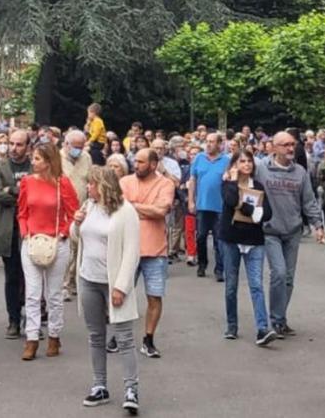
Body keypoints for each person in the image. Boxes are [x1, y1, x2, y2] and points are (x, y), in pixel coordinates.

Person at [73, 166, 141, 412]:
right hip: (88, 279)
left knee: (124, 337)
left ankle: (131, 388)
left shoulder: (125, 212)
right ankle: (99, 385)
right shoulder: (88, 207)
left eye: (91, 184)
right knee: (96, 335)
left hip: (113, 283)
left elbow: (132, 252)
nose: (88, 188)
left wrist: (121, 286)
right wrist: (75, 223)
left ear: (103, 185)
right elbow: (77, 238)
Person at [255, 131, 325, 339]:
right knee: (278, 273)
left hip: (293, 230)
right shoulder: (261, 169)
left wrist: (317, 225)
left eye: (292, 144)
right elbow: (244, 183)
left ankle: (280, 319)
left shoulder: (300, 172)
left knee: (288, 278)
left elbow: (309, 201)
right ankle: (275, 319)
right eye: (285, 145)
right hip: (270, 230)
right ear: (274, 147)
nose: (290, 148)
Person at [17, 142, 80, 360]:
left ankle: (54, 335)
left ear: (48, 161)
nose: (33, 163)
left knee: (53, 294)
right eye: (33, 158)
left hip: (56, 243)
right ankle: (32, 338)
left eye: (37, 159)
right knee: (32, 294)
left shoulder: (63, 184)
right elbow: (22, 212)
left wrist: (63, 233)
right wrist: (25, 232)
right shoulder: (26, 182)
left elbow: (74, 213)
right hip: (32, 242)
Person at [118, 149, 175, 359]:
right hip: (127, 248)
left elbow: (161, 211)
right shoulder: (124, 182)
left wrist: (133, 206)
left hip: (156, 249)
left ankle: (148, 339)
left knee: (155, 296)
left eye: (141, 162)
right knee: (121, 295)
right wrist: (146, 209)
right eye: (135, 161)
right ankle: (119, 335)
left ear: (153, 164)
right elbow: (118, 208)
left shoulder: (166, 184)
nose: (136, 165)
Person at [219, 150, 275, 345]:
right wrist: (253, 210)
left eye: (249, 161)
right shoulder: (227, 184)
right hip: (231, 239)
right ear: (234, 164)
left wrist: (255, 212)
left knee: (257, 285)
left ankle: (262, 329)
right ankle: (232, 326)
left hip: (254, 239)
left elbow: (268, 213)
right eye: (242, 161)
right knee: (231, 285)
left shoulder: (258, 186)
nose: (247, 164)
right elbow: (231, 201)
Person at [0, 129, 32, 339]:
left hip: (32, 229)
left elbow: (37, 195)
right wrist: (20, 191)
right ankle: (13, 320)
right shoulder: (0, 166)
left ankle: (31, 319)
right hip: (9, 228)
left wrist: (12, 189)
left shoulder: (34, 166)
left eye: (19, 144)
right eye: (12, 144)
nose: (14, 149)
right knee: (12, 277)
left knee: (32, 278)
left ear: (27, 146)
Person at [187, 132, 229, 281]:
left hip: (220, 206)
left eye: (212, 142)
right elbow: (192, 180)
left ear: (219, 144)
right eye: (207, 141)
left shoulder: (226, 160)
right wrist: (191, 201)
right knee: (201, 236)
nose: (209, 144)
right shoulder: (199, 158)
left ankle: (219, 269)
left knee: (219, 239)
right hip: (202, 205)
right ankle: (202, 264)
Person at [61, 130, 93, 302]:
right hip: (62, 210)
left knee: (78, 247)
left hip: (81, 208)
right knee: (67, 248)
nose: (78, 150)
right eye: (75, 147)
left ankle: (72, 282)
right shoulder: (57, 158)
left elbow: (90, 180)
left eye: (81, 147)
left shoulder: (86, 158)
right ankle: (64, 284)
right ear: (66, 144)